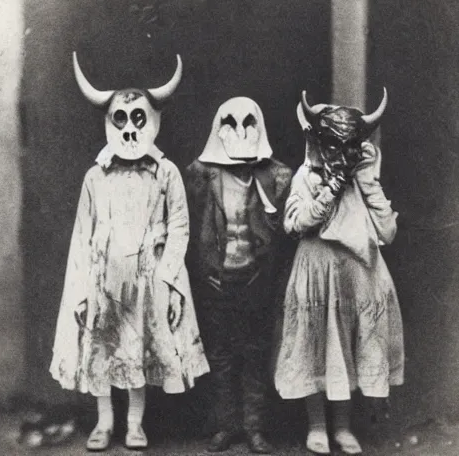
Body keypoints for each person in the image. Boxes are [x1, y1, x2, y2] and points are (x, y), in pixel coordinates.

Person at [50, 53, 209, 452]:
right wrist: (83, 288)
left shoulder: (166, 172)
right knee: (101, 347)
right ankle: (104, 422)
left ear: (153, 121)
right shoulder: (95, 176)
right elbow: (82, 234)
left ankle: (135, 423)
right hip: (104, 276)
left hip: (149, 277)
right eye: (120, 118)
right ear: (108, 122)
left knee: (140, 348)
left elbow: (180, 227)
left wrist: (170, 281)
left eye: (139, 117)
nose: (130, 128)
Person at [274, 90, 404, 455]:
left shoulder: (362, 180)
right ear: (318, 141)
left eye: (349, 146)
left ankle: (344, 427)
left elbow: (387, 231)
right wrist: (330, 189)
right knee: (315, 344)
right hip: (316, 271)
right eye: (332, 144)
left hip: (359, 275)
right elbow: (296, 223)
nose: (339, 153)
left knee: (347, 345)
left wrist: (365, 180)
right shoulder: (306, 176)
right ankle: (317, 426)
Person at [185, 97, 293, 454]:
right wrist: (206, 273)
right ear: (219, 130)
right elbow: (190, 229)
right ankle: (226, 425)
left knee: (255, 354)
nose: (240, 132)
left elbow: (281, 232)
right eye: (230, 125)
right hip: (218, 281)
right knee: (220, 355)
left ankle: (255, 428)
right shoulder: (204, 176)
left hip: (255, 280)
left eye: (248, 124)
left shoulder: (274, 177)